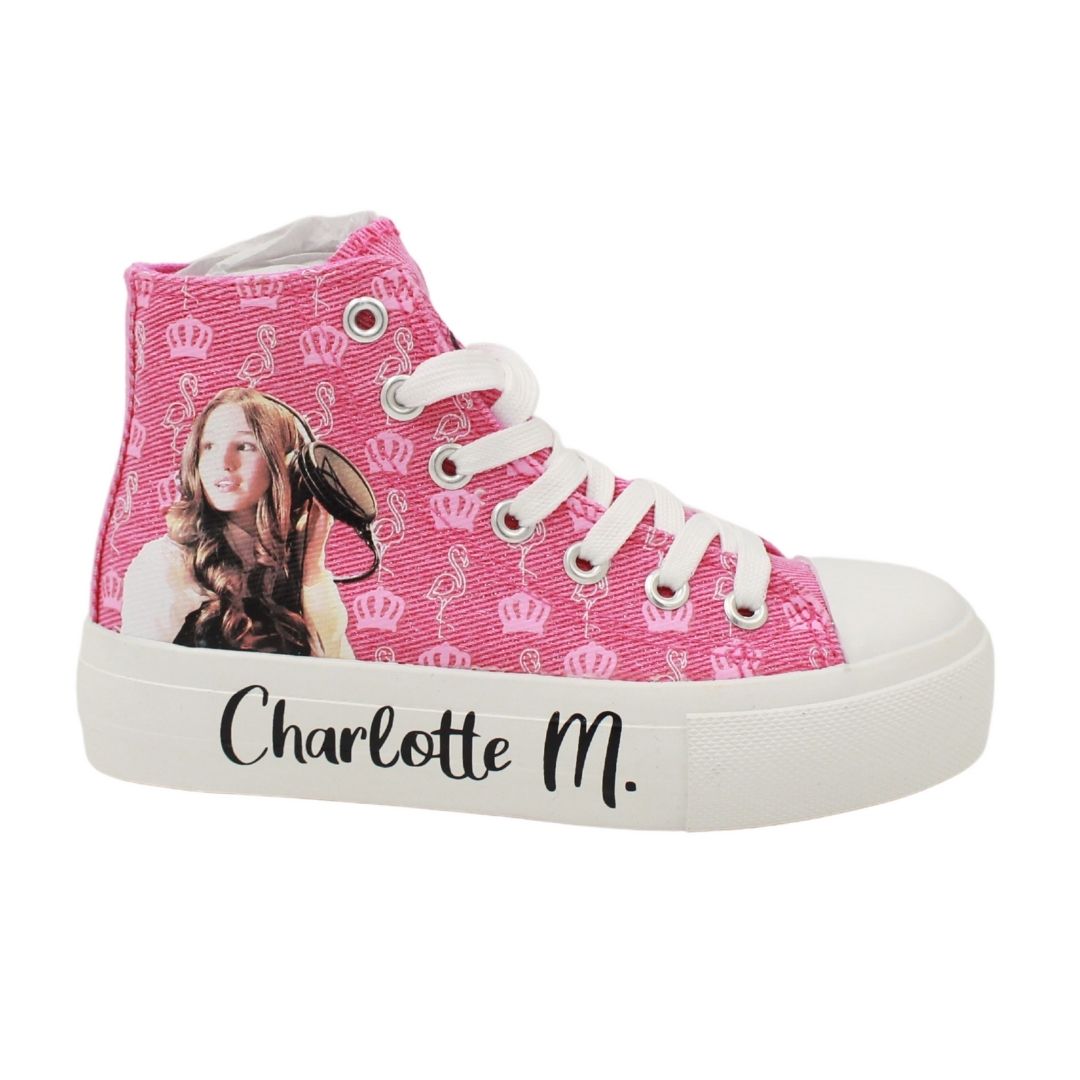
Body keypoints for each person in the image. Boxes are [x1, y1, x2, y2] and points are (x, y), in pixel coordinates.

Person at [122, 387, 354, 658]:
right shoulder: (164, 564)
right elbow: (138, 672)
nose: (224, 462)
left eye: (244, 446)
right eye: (209, 446)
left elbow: (339, 671)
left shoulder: (290, 570)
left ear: (288, 466)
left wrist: (312, 566)